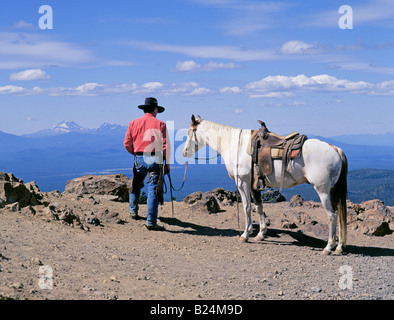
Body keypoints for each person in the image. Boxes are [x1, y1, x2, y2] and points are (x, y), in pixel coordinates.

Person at [124, 97, 171, 230]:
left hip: (139, 157)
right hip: (155, 159)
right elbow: (165, 146)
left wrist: (136, 153)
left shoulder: (134, 123)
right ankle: (151, 221)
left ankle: (133, 211)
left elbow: (126, 143)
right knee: (153, 190)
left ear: (145, 109)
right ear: (155, 109)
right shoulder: (161, 124)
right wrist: (167, 165)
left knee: (136, 183)